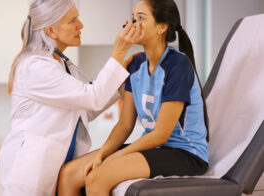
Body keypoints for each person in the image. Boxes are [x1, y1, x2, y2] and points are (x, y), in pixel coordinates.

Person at [57, 0, 209, 195]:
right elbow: (124, 124)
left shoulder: (178, 65)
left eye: (141, 18)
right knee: (68, 174)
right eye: (132, 18)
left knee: (98, 175)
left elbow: (161, 134)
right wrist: (103, 153)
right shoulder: (136, 64)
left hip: (185, 153)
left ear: (161, 27)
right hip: (156, 148)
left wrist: (114, 157)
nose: (132, 24)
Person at [0, 0, 144, 195]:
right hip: (28, 175)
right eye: (72, 20)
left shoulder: (59, 65)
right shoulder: (35, 67)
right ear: (52, 31)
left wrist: (119, 84)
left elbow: (84, 110)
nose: (80, 25)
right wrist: (119, 51)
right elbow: (92, 98)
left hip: (55, 169)